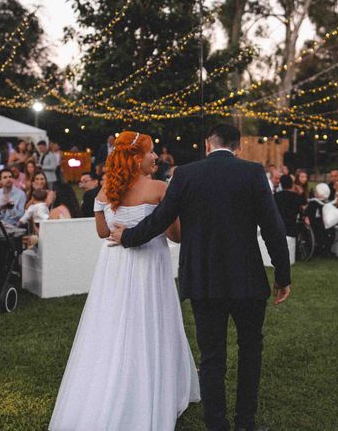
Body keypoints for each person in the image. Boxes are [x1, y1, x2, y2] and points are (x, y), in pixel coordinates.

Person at [110, 124, 291, 431]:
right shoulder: (252, 172)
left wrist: (128, 237)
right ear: (238, 147)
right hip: (247, 278)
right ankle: (246, 423)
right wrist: (282, 276)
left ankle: (216, 425)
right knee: (250, 350)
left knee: (211, 357)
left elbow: (160, 219)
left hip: (204, 280)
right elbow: (273, 227)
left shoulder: (186, 174)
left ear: (208, 144)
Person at [49, 131, 201, 431]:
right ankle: (152, 388)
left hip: (115, 268)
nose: (155, 157)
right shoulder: (159, 188)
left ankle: (111, 381)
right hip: (149, 266)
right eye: (151, 152)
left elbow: (103, 233)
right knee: (152, 323)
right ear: (135, 157)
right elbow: (176, 235)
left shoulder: (105, 191)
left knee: (114, 325)